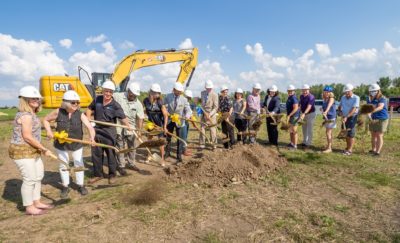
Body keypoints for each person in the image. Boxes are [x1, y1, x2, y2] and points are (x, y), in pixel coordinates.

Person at [9, 86, 55, 215]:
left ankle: (37, 201)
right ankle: (29, 207)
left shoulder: (31, 114)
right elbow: (27, 136)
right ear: (25, 100)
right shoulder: (25, 116)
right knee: (29, 179)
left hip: (32, 150)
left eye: (37, 98)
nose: (36, 100)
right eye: (32, 99)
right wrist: (44, 149)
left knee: (38, 176)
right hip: (22, 151)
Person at [43, 90, 95, 198]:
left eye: (77, 102)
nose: (76, 104)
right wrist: (49, 131)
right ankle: (65, 186)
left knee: (78, 163)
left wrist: (92, 138)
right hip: (61, 144)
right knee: (64, 164)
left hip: (76, 144)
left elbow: (90, 127)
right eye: (73, 102)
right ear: (66, 102)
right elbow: (45, 120)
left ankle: (80, 185)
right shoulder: (58, 112)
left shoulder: (80, 114)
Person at [86, 80, 132, 184]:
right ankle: (98, 174)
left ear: (112, 93)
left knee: (111, 153)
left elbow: (123, 117)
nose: (108, 94)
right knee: (96, 153)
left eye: (110, 92)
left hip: (109, 131)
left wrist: (128, 126)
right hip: (97, 130)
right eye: (106, 91)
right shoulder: (97, 99)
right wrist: (89, 119)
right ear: (103, 91)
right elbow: (89, 109)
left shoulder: (115, 105)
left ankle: (112, 174)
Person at [113, 82, 144, 174]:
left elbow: (140, 118)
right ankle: (121, 166)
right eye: (132, 94)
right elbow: (107, 98)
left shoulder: (138, 103)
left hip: (131, 128)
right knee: (120, 147)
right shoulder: (118, 96)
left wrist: (139, 131)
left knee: (132, 147)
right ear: (128, 91)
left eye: (135, 95)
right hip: (119, 126)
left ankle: (131, 163)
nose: (133, 96)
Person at [164, 83, 192, 163]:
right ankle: (167, 153)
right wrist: (166, 112)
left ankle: (179, 156)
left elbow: (188, 110)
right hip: (170, 120)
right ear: (174, 90)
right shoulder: (168, 96)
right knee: (168, 137)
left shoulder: (184, 99)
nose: (179, 92)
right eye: (178, 91)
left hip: (179, 121)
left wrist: (187, 116)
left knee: (179, 139)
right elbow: (164, 106)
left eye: (180, 91)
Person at [143, 83, 169, 164]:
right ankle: (149, 156)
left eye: (158, 93)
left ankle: (162, 159)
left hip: (159, 124)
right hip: (150, 124)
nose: (156, 95)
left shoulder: (160, 102)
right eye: (155, 93)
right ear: (150, 92)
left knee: (160, 142)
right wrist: (144, 117)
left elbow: (165, 115)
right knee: (149, 140)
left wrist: (164, 127)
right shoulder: (145, 101)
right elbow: (144, 111)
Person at [367, 84, 389, 156]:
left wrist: (371, 111)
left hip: (382, 118)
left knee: (379, 135)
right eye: (371, 91)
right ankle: (373, 149)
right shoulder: (369, 98)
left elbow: (380, 107)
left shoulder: (382, 98)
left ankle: (378, 152)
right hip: (373, 118)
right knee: (373, 134)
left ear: (378, 91)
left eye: (374, 91)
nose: (372, 92)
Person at [338, 84, 360, 156]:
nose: (346, 93)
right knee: (345, 133)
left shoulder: (356, 98)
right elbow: (340, 106)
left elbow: (354, 109)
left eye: (348, 92)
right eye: (345, 92)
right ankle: (347, 148)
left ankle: (350, 150)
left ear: (352, 91)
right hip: (344, 116)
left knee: (350, 133)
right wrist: (340, 112)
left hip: (352, 117)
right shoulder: (343, 97)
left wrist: (347, 116)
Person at [200, 80, 219, 149]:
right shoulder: (202, 93)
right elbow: (202, 103)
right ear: (205, 87)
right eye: (207, 88)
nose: (208, 89)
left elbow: (216, 107)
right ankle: (202, 144)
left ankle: (214, 144)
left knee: (212, 130)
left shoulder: (215, 94)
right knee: (202, 129)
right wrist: (203, 112)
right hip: (203, 113)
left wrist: (210, 114)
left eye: (210, 88)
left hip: (212, 114)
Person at [321, 86, 337, 153]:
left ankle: (329, 148)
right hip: (327, 117)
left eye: (328, 92)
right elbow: (324, 107)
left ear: (331, 93)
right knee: (328, 132)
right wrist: (322, 110)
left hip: (331, 117)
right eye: (325, 92)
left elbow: (329, 106)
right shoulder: (325, 99)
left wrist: (326, 111)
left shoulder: (331, 99)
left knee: (328, 132)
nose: (326, 93)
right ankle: (329, 146)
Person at [286, 85, 300, 150]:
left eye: (291, 91)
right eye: (289, 91)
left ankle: (295, 145)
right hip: (291, 115)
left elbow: (296, 108)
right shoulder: (289, 97)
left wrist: (289, 115)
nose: (290, 92)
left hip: (294, 116)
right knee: (291, 130)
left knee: (294, 130)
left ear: (294, 91)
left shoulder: (294, 98)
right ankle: (291, 143)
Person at [183, 89, 196, 156]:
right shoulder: (184, 103)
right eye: (189, 97)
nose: (189, 98)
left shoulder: (187, 103)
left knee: (185, 136)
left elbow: (190, 114)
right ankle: (184, 151)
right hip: (183, 123)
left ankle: (185, 149)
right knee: (184, 137)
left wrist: (194, 123)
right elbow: (189, 115)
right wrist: (194, 124)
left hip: (186, 122)